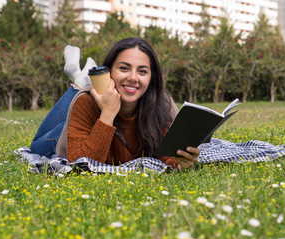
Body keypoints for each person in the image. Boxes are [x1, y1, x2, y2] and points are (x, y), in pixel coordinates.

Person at [31, 38, 199, 171]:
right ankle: (78, 85)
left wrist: (180, 162)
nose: (133, 77)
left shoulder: (160, 105)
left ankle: (81, 79)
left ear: (151, 77)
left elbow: (166, 158)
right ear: (109, 71)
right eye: (124, 68)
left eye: (142, 71)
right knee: (35, 146)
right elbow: (81, 164)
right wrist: (108, 114)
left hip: (90, 126)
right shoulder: (86, 103)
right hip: (65, 134)